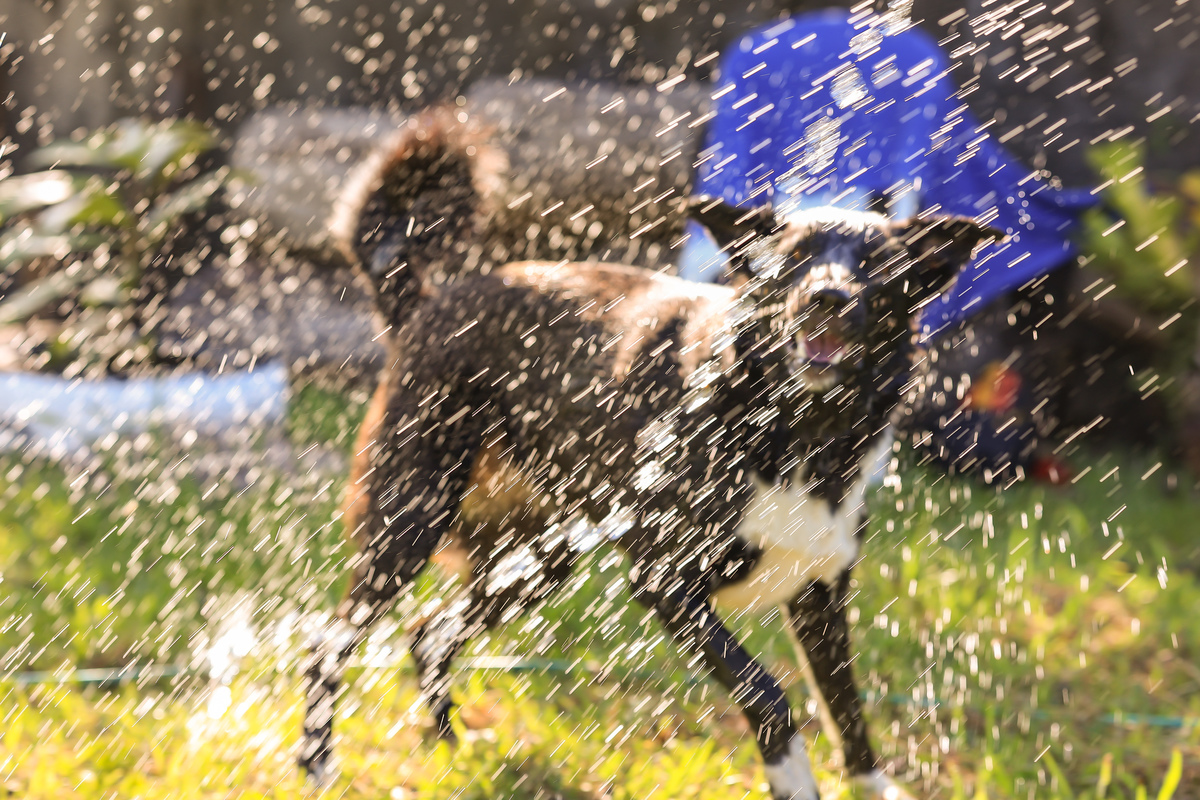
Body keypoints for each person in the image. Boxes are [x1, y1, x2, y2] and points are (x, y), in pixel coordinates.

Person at [680, 7, 1094, 482]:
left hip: (790, 249)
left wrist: (703, 273)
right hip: (867, 246)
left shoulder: (754, 49)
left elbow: (726, 175)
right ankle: (864, 465)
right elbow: (907, 183)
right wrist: (898, 263)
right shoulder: (915, 51)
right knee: (869, 356)